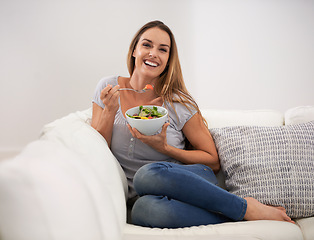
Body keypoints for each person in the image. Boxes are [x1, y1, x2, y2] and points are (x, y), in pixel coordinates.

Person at [91, 20, 294, 228]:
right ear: (134, 50)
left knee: (146, 175)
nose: (153, 53)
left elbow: (213, 162)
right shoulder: (108, 88)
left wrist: (165, 148)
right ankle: (239, 213)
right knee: (142, 211)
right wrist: (109, 111)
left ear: (168, 60)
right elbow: (97, 149)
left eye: (163, 50)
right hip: (144, 197)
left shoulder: (178, 102)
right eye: (147, 45)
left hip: (189, 180)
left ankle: (245, 207)